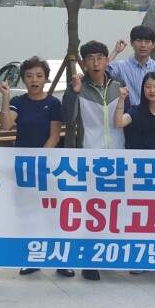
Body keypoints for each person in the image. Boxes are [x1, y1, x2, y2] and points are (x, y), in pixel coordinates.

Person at [0, 56, 74, 278]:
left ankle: (61, 260)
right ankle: (32, 258)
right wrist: (5, 98)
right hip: (23, 168)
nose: (34, 80)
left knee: (53, 213)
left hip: (48, 167)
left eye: (39, 76)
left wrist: (38, 161)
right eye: (30, 76)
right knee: (29, 213)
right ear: (23, 79)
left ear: (46, 79)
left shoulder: (53, 104)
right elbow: (6, 124)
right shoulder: (18, 101)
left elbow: (54, 137)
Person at [62, 40, 126, 280]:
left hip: (118, 155)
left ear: (107, 60)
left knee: (113, 209)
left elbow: (128, 116)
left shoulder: (118, 85)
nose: (96, 63)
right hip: (90, 157)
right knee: (92, 210)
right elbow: (68, 118)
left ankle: (107, 254)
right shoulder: (77, 86)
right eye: (90, 58)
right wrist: (74, 92)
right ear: (84, 62)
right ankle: (89, 261)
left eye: (100, 58)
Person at [114, 73, 155, 277]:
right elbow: (118, 123)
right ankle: (139, 258)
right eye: (148, 86)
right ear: (142, 89)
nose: (152, 90)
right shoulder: (135, 110)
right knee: (139, 216)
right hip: (138, 173)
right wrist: (121, 101)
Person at [106, 25, 155, 112]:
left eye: (147, 41)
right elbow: (103, 73)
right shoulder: (121, 66)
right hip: (127, 117)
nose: (143, 45)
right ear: (131, 43)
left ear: (153, 45)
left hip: (153, 117)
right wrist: (116, 51)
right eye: (139, 40)